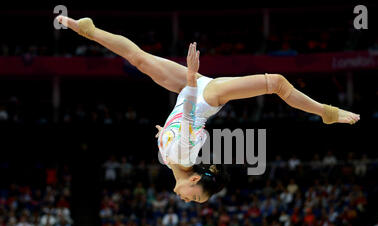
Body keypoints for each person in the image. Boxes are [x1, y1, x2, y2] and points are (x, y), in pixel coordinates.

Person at [57, 16, 360, 203]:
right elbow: (189, 115)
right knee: (277, 83)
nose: (188, 201)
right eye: (195, 199)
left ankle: (86, 28)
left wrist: (166, 131)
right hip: (204, 97)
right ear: (194, 180)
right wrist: (190, 76)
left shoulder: (168, 160)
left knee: (138, 58)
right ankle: (325, 112)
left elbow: (180, 127)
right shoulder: (183, 157)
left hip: (190, 94)